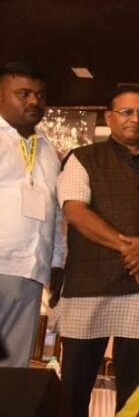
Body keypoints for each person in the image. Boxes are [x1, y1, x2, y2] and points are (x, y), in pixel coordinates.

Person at [57, 85, 139, 417]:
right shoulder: (83, 158)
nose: (135, 119)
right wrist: (132, 250)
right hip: (89, 286)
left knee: (134, 394)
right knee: (74, 388)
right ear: (110, 117)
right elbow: (76, 211)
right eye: (127, 112)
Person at [0, 63, 63, 367]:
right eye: (23, 93)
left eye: (40, 95)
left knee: (14, 368)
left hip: (32, 270)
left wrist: (56, 264)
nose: (34, 101)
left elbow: (55, 212)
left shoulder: (48, 149)